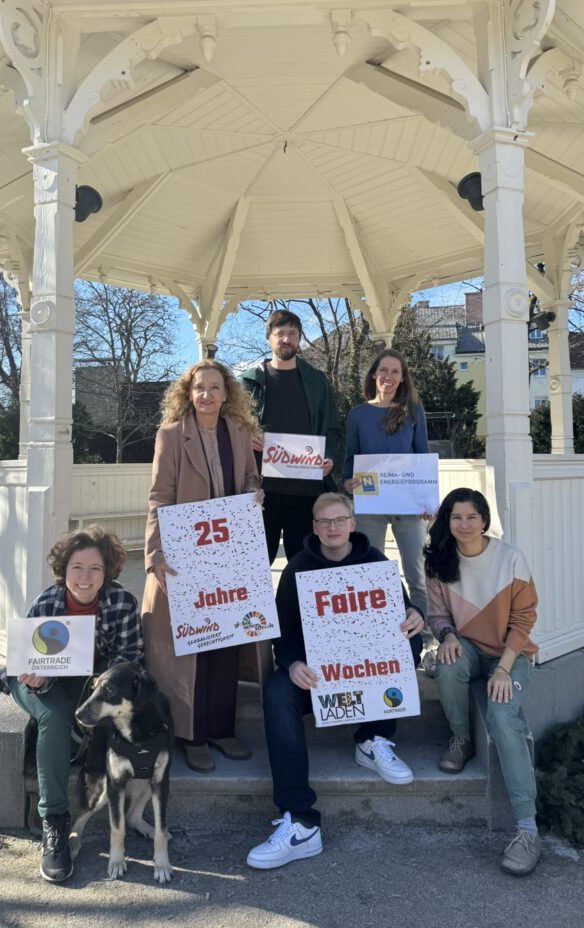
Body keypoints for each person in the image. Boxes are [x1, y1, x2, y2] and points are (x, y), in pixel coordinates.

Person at [247, 492, 424, 870]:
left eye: (339, 520)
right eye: (324, 522)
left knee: (410, 642)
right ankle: (300, 821)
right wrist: (292, 662)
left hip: (363, 678)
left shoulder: (376, 561)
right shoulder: (296, 568)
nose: (332, 528)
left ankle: (373, 738)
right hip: (318, 679)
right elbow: (285, 631)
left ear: (352, 524)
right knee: (278, 692)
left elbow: (402, 611)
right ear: (314, 527)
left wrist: (414, 615)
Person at [143, 359, 266, 774]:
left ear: (227, 392)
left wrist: (254, 492)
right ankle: (192, 736)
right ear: (188, 393)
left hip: (230, 553)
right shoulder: (172, 436)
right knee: (193, 647)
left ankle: (222, 731)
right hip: (185, 554)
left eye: (215, 387)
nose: (207, 395)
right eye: (200, 388)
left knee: (227, 644)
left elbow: (251, 478)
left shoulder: (240, 432)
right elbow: (159, 497)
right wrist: (154, 554)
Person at [5, 525, 143, 884]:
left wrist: (105, 679)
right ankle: (54, 822)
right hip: (33, 679)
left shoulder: (122, 602)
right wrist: (38, 676)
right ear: (63, 570)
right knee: (54, 714)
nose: (85, 577)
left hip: (90, 682)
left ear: (107, 571)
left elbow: (131, 657)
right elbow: (26, 662)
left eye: (95, 568)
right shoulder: (47, 603)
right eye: (77, 567)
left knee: (109, 709)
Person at [424, 487, 541, 876]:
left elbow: (524, 621)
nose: (464, 524)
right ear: (447, 520)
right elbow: (438, 616)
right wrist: (448, 636)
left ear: (484, 520)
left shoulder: (509, 557)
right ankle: (461, 738)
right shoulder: (440, 559)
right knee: (448, 666)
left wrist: (505, 669)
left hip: (511, 653)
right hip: (470, 645)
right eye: (456, 517)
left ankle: (527, 830)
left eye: (472, 517)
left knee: (504, 718)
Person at [240, 309, 342, 565]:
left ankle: (296, 608)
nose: (286, 339)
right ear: (269, 338)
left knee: (306, 567)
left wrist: (329, 457)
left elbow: (333, 428)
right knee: (255, 567)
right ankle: (259, 609)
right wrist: (245, 437)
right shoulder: (248, 383)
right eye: (280, 333)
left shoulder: (317, 381)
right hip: (261, 493)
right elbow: (230, 428)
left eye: (293, 334)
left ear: (299, 339)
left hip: (306, 492)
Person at [343, 348, 431, 642]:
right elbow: (349, 460)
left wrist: (427, 501)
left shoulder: (414, 410)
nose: (389, 377)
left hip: (408, 504)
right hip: (370, 503)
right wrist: (346, 482)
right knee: (369, 569)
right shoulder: (357, 414)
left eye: (395, 372)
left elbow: (422, 457)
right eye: (384, 371)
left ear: (403, 378)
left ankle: (423, 632)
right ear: (373, 375)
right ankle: (373, 632)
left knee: (416, 571)